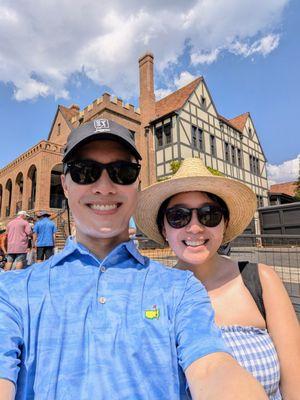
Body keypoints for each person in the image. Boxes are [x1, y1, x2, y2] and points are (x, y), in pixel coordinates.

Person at [0, 119, 267, 400]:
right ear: (65, 184)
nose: (104, 186)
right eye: (84, 172)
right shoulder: (14, 292)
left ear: (137, 184)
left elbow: (211, 365)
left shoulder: (180, 288)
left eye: (122, 172)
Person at [135, 157, 300, 400]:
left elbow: (295, 385)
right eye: (178, 216)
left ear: (225, 224)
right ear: (164, 229)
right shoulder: (150, 293)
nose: (194, 228)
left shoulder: (260, 281)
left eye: (209, 215)